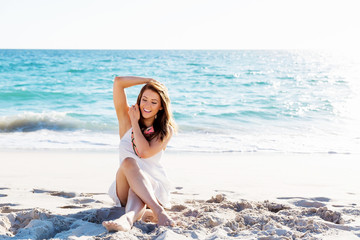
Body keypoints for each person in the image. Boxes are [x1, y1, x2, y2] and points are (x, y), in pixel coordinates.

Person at [102, 76, 176, 232]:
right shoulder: (126, 119)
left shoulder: (165, 131)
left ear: (161, 107)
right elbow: (118, 82)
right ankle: (158, 212)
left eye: (154, 102)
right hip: (124, 185)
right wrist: (149, 80)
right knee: (128, 162)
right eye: (144, 99)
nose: (147, 105)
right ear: (139, 99)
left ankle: (127, 218)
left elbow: (143, 152)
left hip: (153, 187)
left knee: (136, 187)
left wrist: (135, 122)